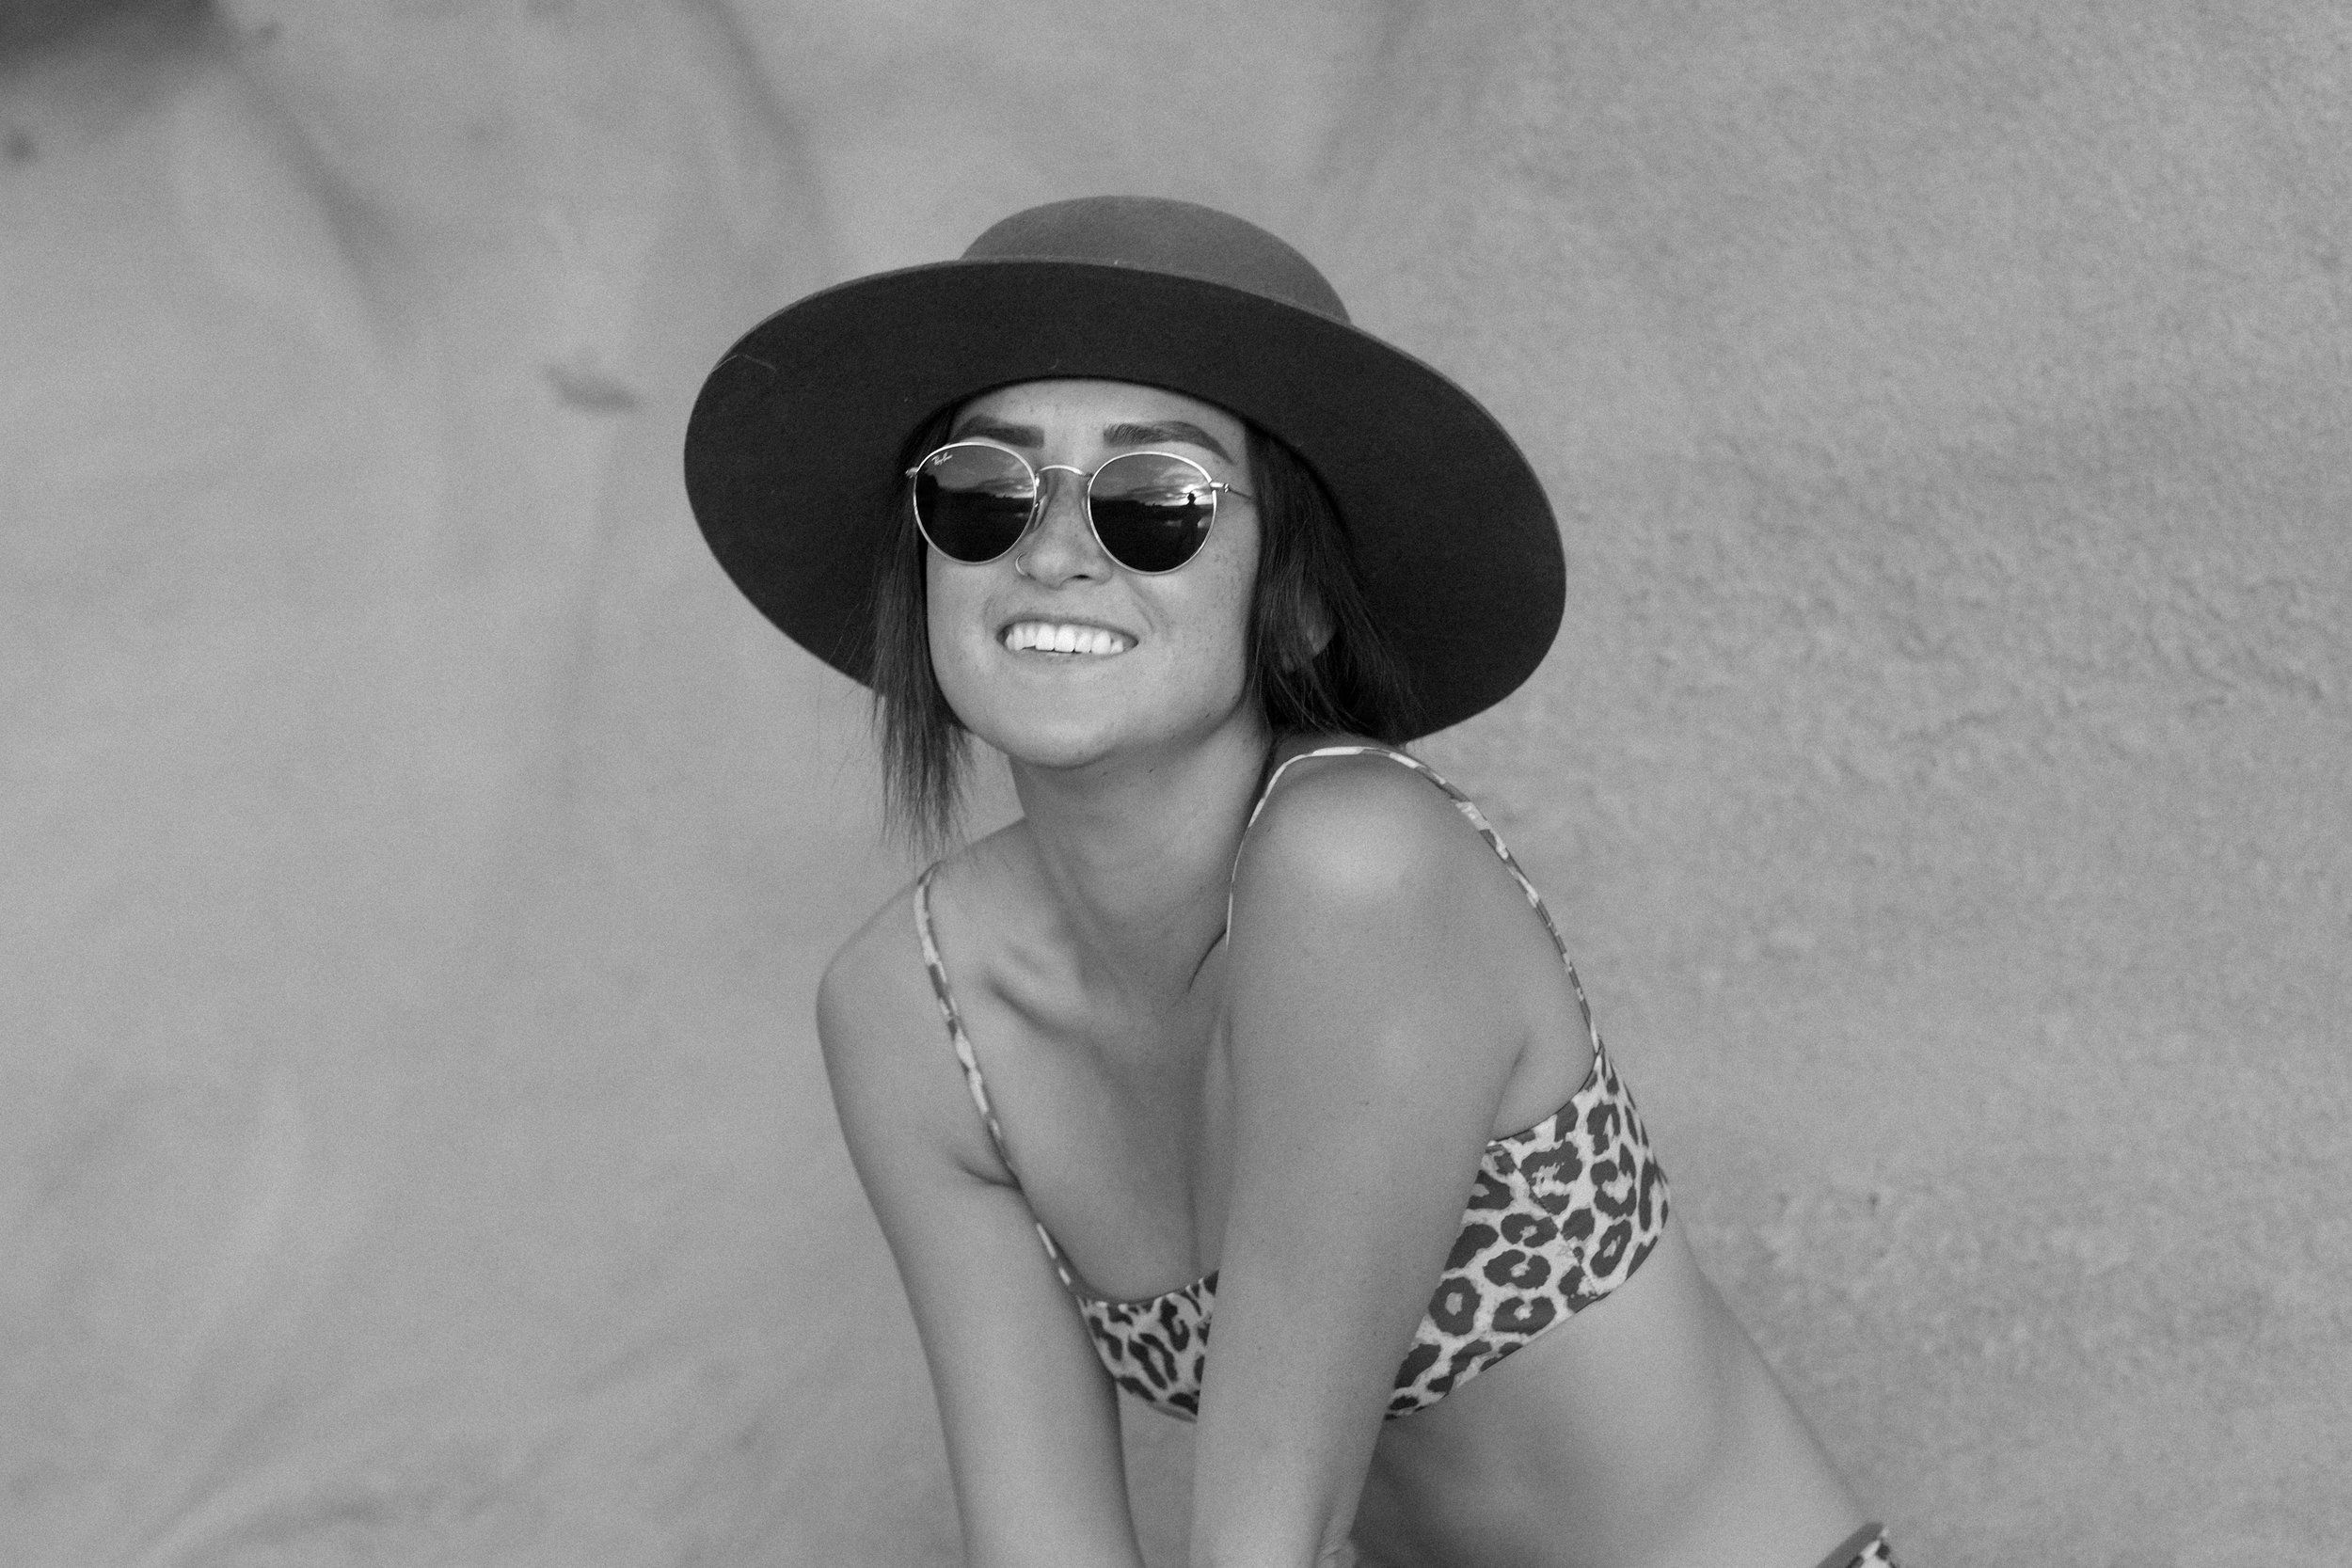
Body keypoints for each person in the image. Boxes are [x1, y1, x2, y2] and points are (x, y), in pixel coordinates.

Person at [684, 197, 1895, 1568]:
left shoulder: (1358, 866)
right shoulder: (909, 1015)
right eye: (983, 491)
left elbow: (1272, 1540)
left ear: (1299, 599)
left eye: (1157, 503)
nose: (1053, 551)